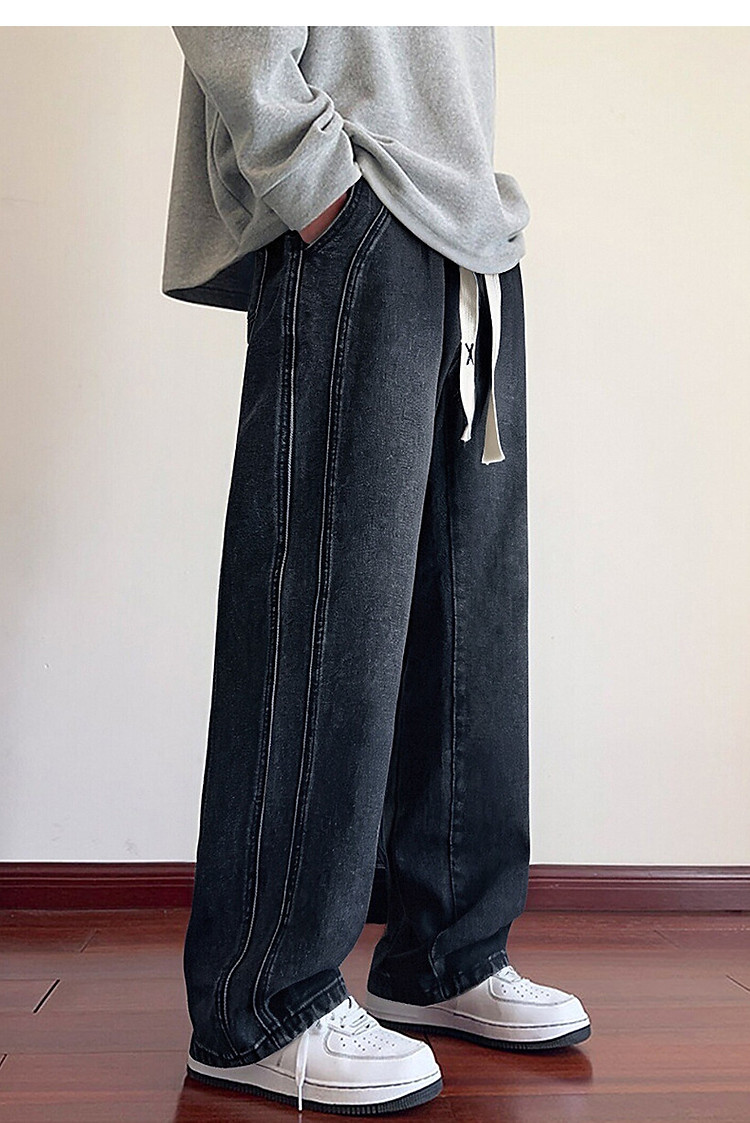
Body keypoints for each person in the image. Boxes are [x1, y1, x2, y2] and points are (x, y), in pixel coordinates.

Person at [161, 25, 591, 1114]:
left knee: (470, 614)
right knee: (324, 610)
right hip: (356, 199)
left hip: (468, 220)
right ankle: (261, 1003)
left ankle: (446, 952)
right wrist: (314, 178)